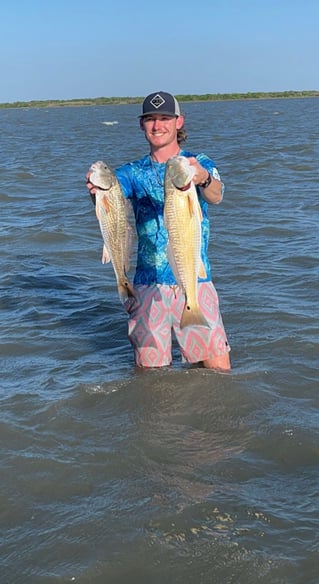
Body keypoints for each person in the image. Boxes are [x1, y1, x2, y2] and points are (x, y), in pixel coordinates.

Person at [86, 91, 231, 371]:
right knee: (150, 374)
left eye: (165, 118)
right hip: (147, 283)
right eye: (150, 119)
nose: (157, 125)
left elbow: (216, 195)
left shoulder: (197, 163)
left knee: (217, 369)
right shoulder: (131, 172)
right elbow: (113, 202)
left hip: (194, 279)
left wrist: (203, 178)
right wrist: (97, 193)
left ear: (179, 122)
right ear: (141, 125)